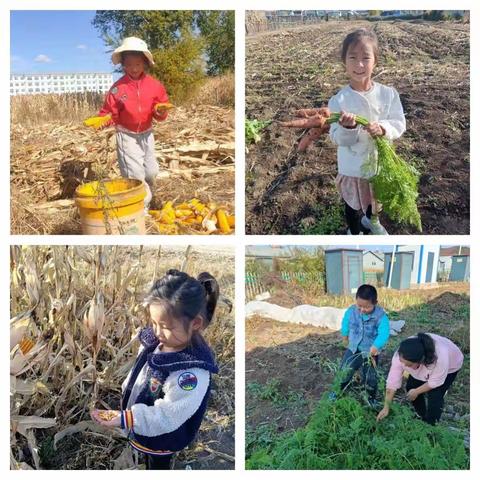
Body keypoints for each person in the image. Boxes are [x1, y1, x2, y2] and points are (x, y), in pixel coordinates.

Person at [91, 269, 220, 470]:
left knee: (157, 463)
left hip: (163, 437)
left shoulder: (190, 374)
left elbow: (168, 416)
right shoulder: (157, 341)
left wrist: (127, 418)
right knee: (146, 453)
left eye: (166, 327)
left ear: (195, 323)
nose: (157, 331)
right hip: (142, 422)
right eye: (153, 323)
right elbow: (141, 370)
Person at [328, 28, 406, 235]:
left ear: (375, 61)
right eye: (352, 58)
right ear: (344, 61)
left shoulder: (388, 94)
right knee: (353, 205)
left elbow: (399, 122)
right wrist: (349, 128)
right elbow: (336, 137)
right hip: (352, 166)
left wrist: (383, 128)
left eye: (366, 58)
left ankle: (373, 222)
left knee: (374, 199)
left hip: (379, 162)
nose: (359, 64)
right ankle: (354, 232)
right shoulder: (338, 100)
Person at [85, 37, 171, 209]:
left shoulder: (155, 86)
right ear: (122, 65)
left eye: (138, 64)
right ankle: (141, 208)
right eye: (129, 64)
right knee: (135, 174)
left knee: (151, 171)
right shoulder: (118, 89)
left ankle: (149, 193)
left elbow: (160, 109)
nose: (133, 68)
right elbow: (109, 112)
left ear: (145, 63)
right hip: (127, 135)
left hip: (147, 134)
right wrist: (101, 120)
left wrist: (160, 112)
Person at [377, 333, 463, 425]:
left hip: (451, 365)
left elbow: (434, 382)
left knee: (435, 396)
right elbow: (392, 382)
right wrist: (386, 407)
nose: (404, 366)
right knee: (411, 387)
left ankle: (431, 426)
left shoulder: (440, 358)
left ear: (421, 360)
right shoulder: (401, 355)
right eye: (403, 363)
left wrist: (417, 391)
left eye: (408, 365)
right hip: (421, 365)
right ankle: (421, 416)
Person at [333, 284, 390, 407]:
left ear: (375, 303)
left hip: (370, 352)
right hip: (353, 348)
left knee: (370, 376)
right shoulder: (351, 311)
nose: (362, 309)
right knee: (345, 370)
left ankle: (371, 398)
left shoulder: (381, 316)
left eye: (367, 307)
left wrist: (376, 345)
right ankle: (337, 391)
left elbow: (384, 333)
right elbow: (345, 322)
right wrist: (345, 334)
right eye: (360, 306)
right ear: (356, 301)